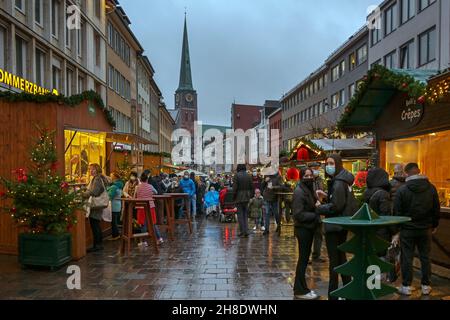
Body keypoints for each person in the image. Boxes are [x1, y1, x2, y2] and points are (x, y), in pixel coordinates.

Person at [393, 163, 440, 296]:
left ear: (407, 173)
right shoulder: (431, 188)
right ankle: (426, 285)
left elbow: (397, 211)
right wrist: (434, 225)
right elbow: (436, 209)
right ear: (419, 172)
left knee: (407, 257)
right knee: (425, 256)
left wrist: (397, 230)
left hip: (407, 229)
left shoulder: (402, 190)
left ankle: (406, 285)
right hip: (426, 229)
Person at [316, 154, 358, 300]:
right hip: (341, 225)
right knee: (341, 259)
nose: (329, 165)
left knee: (334, 261)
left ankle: (333, 294)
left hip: (335, 226)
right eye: (327, 163)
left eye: (331, 163)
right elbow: (338, 200)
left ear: (338, 164)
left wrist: (319, 207)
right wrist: (327, 196)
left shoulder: (339, 182)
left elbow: (336, 206)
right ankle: (348, 290)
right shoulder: (342, 179)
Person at [293, 168, 321, 300]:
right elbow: (298, 214)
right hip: (303, 229)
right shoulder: (299, 192)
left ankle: (303, 288)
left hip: (308, 228)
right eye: (306, 175)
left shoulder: (308, 189)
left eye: (311, 175)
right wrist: (315, 214)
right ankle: (299, 290)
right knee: (303, 260)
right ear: (301, 177)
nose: (309, 177)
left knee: (304, 260)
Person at [83, 164, 110, 252]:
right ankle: (98, 244)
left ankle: (97, 245)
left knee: (95, 224)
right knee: (96, 224)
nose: (91, 171)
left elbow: (95, 192)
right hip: (98, 205)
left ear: (97, 169)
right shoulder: (99, 178)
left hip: (96, 205)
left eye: (93, 169)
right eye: (90, 169)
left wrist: (83, 194)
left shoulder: (97, 179)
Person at [363, 168, 392, 242]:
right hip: (381, 231)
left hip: (369, 228)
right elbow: (386, 215)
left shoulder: (366, 192)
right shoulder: (383, 194)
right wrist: (394, 231)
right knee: (381, 252)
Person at [135, 173, 163, 245]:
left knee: (143, 224)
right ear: (147, 179)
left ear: (140, 179)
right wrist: (150, 195)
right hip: (150, 206)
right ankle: (159, 238)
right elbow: (156, 192)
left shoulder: (137, 187)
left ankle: (144, 241)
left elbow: (135, 195)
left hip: (141, 207)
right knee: (153, 223)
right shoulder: (150, 186)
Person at [233, 164, 254, 237]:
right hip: (247, 197)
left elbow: (235, 188)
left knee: (240, 215)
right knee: (245, 215)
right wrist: (251, 196)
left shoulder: (236, 175)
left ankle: (242, 231)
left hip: (239, 197)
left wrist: (233, 197)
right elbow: (252, 187)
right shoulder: (248, 175)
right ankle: (246, 231)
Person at [310, 162, 325, 262]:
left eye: (317, 168)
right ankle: (307, 256)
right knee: (309, 235)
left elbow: (322, 191)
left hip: (319, 209)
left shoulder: (320, 180)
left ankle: (316, 255)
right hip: (310, 210)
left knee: (319, 234)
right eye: (314, 168)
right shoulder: (307, 181)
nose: (316, 170)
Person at [261, 171, 282, 235]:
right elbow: (262, 185)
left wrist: (274, 187)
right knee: (267, 213)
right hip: (267, 197)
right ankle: (266, 229)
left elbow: (281, 186)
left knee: (276, 213)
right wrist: (265, 181)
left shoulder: (278, 177)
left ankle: (279, 226)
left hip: (274, 198)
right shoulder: (267, 175)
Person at [107, 172, 124, 241]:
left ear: (114, 178)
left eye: (111, 176)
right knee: (116, 221)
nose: (110, 178)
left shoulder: (114, 186)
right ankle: (116, 234)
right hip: (118, 205)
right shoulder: (119, 185)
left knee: (114, 222)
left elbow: (109, 196)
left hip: (113, 205)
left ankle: (115, 235)